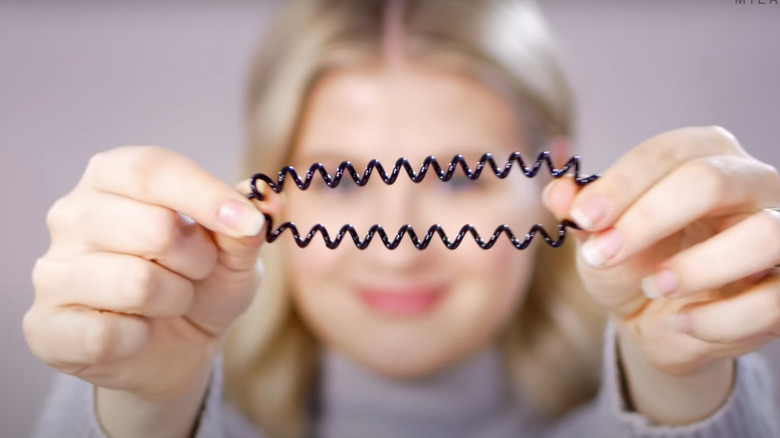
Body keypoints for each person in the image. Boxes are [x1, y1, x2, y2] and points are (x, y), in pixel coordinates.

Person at [23, 0, 780, 437]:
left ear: (553, 180)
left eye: (459, 178)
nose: (397, 250)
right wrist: (142, 408)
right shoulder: (170, 404)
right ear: (267, 192)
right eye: (340, 179)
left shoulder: (665, 388)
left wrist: (688, 384)